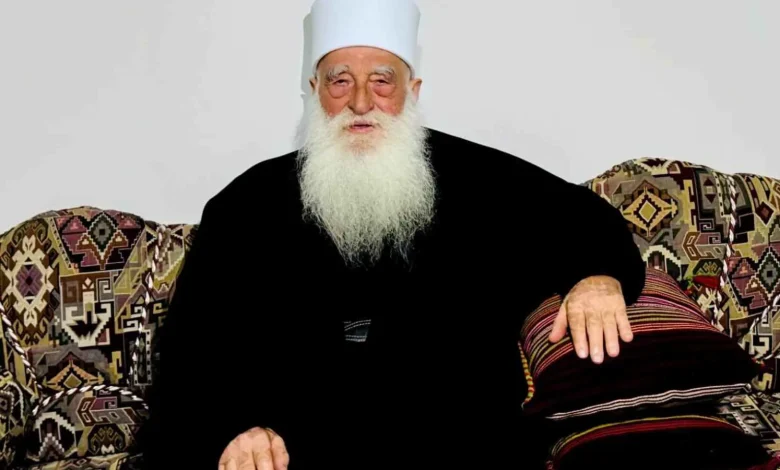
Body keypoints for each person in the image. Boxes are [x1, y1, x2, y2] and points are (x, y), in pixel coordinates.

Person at [143, 0, 646, 468]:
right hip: (297, 455)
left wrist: (598, 278)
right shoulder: (244, 205)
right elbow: (190, 353)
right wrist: (232, 429)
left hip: (458, 449)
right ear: (315, 90)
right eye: (340, 81)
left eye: (382, 81)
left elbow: (586, 219)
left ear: (414, 90)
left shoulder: (480, 179)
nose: (361, 101)